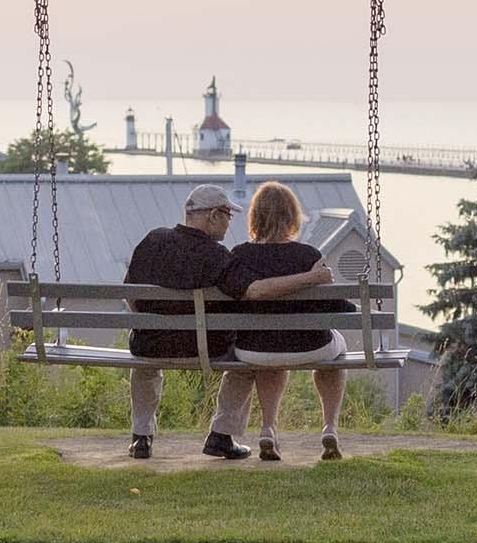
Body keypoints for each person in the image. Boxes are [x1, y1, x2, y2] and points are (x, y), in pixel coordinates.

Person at [121, 185, 328, 461]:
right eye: (228, 215)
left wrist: (145, 325)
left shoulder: (152, 240)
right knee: (244, 364)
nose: (230, 222)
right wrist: (311, 278)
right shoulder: (217, 257)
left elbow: (130, 293)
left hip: (150, 345)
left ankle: (141, 437)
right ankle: (221, 434)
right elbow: (255, 290)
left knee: (145, 364)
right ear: (214, 216)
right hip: (205, 349)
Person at [222, 181, 354, 462]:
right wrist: (354, 307)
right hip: (311, 346)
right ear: (291, 217)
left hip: (254, 349)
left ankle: (268, 428)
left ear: (255, 217)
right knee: (337, 351)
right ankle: (330, 427)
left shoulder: (239, 255)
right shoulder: (309, 256)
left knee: (272, 351)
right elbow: (332, 305)